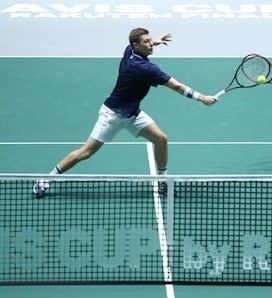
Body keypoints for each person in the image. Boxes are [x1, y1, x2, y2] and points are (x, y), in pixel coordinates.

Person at [33, 28, 217, 198]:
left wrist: (157, 42)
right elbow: (176, 86)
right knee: (85, 152)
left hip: (132, 114)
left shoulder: (130, 51)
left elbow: (141, 45)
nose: (151, 44)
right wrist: (202, 98)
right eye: (147, 42)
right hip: (112, 116)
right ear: (136, 45)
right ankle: (46, 179)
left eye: (150, 40)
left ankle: (162, 181)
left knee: (161, 138)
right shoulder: (146, 69)